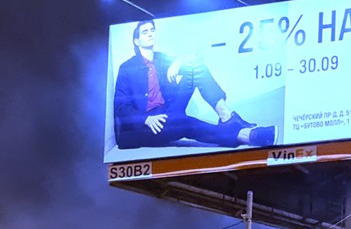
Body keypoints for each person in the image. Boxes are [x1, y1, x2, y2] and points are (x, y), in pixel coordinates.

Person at [112, 19, 274, 151]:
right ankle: (246, 135)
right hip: (146, 126)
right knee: (184, 123)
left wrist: (179, 61)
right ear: (137, 40)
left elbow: (197, 59)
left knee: (196, 68)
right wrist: (146, 119)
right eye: (145, 32)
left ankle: (226, 117)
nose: (150, 34)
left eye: (152, 30)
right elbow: (120, 107)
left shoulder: (162, 58)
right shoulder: (127, 68)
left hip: (168, 112)